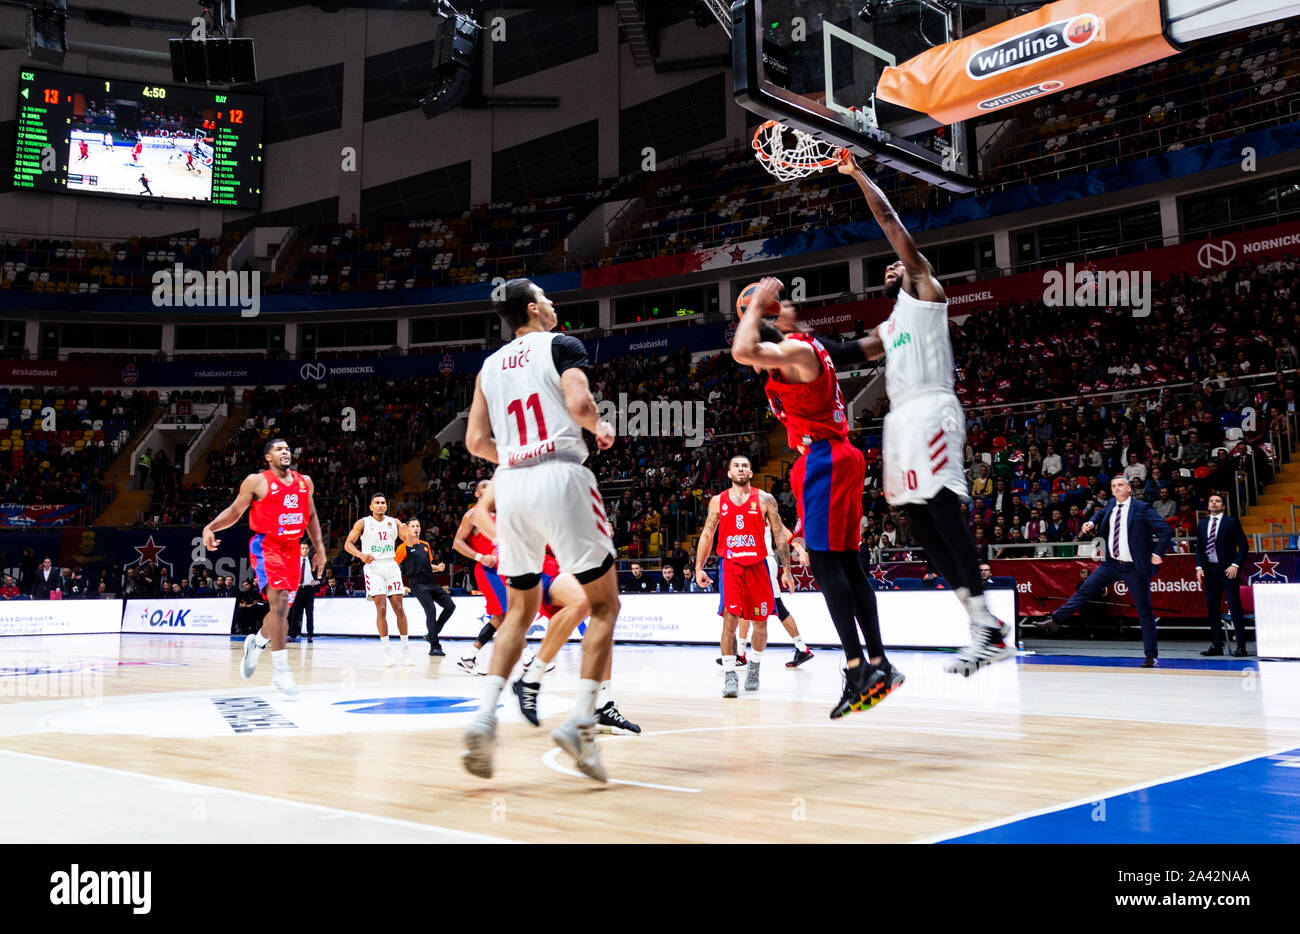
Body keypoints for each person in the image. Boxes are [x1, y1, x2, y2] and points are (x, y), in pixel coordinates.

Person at [833, 151, 1014, 676]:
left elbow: (889, 221)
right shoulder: (891, 328)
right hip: (900, 422)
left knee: (938, 507)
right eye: (887, 268)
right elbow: (843, 353)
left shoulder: (927, 294)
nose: (892, 266)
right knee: (915, 518)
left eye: (898, 263)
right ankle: (982, 624)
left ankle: (985, 624)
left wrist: (858, 175)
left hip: (933, 407)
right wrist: (783, 344)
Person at [461, 277, 621, 783]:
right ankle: (581, 724)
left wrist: (512, 458)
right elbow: (577, 405)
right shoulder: (562, 344)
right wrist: (599, 426)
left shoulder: (488, 367)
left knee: (520, 610)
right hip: (562, 474)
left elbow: (474, 440)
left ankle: (485, 717)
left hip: (511, 485)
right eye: (548, 300)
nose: (555, 306)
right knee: (603, 604)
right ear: (534, 308)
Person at [731, 275, 901, 719]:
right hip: (835, 456)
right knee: (845, 562)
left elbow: (742, 351)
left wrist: (755, 305)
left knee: (826, 563)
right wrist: (903, 310)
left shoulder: (797, 350)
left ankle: (857, 667)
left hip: (824, 457)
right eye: (782, 303)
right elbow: (869, 346)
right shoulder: (803, 349)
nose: (789, 305)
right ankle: (878, 663)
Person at [470, 480, 638, 735]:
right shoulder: (511, 471)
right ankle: (523, 684)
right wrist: (500, 539)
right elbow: (477, 514)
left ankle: (603, 704)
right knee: (576, 604)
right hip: (527, 561)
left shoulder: (559, 474)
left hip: (560, 558)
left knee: (604, 611)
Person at [203, 439, 325, 695]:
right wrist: (210, 527)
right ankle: (281, 672)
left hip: (293, 547)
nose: (285, 452)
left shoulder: (305, 482)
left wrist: (320, 549)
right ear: (268, 457)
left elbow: (311, 517)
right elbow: (236, 512)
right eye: (279, 449)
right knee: (279, 603)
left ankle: (256, 644)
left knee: (279, 615)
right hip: (267, 546)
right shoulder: (256, 481)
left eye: (287, 449)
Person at [1032, 476, 1173, 666]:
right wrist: (1090, 522)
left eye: (1120, 485)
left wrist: (1158, 553)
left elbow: (1165, 530)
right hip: (1111, 564)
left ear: (1129, 488)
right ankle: (1056, 620)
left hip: (1134, 567)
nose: (1116, 488)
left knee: (1144, 611)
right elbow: (1099, 514)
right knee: (1084, 590)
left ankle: (1151, 656)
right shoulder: (1112, 504)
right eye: (1113, 486)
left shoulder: (1142, 508)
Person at [694, 455, 793, 696]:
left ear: (751, 472)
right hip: (731, 567)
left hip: (758, 567)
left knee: (761, 623)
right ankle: (729, 675)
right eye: (736, 466)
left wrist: (787, 570)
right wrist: (698, 567)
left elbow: (780, 534)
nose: (741, 469)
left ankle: (754, 668)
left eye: (745, 466)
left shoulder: (765, 499)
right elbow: (707, 534)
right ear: (729, 473)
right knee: (730, 621)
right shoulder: (718, 501)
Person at [344, 493, 412, 667]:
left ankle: (405, 650)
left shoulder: (394, 522)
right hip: (373, 568)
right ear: (371, 507)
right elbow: (348, 544)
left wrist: (408, 533)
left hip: (391, 565)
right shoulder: (363, 523)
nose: (380, 505)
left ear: (386, 506)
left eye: (383, 502)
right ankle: (387, 652)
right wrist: (360, 555)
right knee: (381, 609)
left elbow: (410, 543)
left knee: (399, 608)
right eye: (377, 503)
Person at [451, 479, 506, 674]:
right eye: (484, 485)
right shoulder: (473, 514)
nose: (490, 486)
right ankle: (529, 659)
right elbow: (457, 543)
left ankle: (469, 656)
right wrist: (480, 557)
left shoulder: (498, 516)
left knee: (502, 616)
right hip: (486, 570)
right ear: (476, 494)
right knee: (510, 612)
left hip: (502, 569)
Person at [1196, 493, 1251, 657]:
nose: (1214, 503)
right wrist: (1199, 567)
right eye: (1211, 501)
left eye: (1217, 501)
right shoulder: (1203, 524)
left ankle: (1241, 645)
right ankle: (1216, 645)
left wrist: (1235, 564)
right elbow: (1199, 547)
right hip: (1210, 570)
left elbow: (1244, 546)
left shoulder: (1231, 522)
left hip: (1228, 570)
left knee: (1234, 607)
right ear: (1208, 505)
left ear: (1223, 506)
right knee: (1212, 608)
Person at [396, 518, 456, 656]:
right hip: (417, 583)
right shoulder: (403, 547)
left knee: (450, 606)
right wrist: (400, 585)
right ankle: (435, 646)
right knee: (431, 609)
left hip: (430, 581)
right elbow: (393, 568)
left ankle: (432, 633)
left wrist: (438, 568)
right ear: (407, 529)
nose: (416, 528)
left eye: (418, 525)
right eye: (413, 526)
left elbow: (427, 566)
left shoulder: (425, 545)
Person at [286, 542, 318, 643]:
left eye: (306, 548)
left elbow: (320, 576)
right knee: (295, 613)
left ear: (309, 550)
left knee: (309, 613)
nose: (304, 550)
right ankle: (292, 635)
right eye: (302, 548)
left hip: (309, 590)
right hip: (298, 589)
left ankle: (309, 635)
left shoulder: (313, 562)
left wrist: (316, 581)